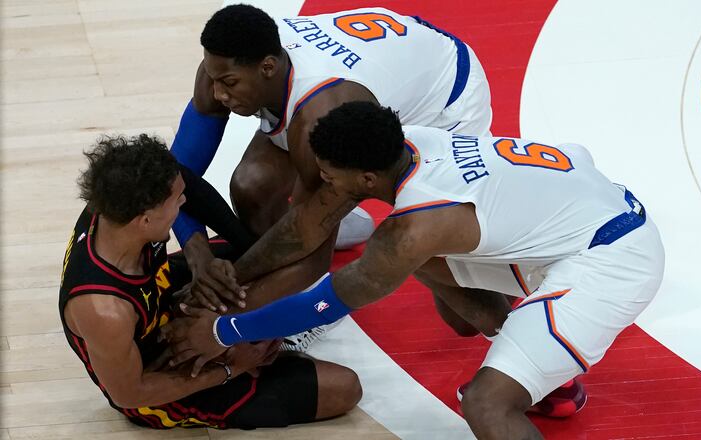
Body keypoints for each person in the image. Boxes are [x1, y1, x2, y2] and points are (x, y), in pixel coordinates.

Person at [164, 102, 665, 438]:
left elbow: (334, 297)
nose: (320, 179)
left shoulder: (417, 225)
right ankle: (544, 374)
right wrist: (236, 273)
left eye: (327, 173)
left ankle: (531, 373)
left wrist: (227, 329)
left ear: (364, 177)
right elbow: (305, 229)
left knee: (487, 406)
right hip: (568, 223)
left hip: (608, 258)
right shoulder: (413, 143)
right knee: (427, 274)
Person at [171, 4, 493, 310]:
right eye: (214, 80)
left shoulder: (320, 112)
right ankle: (319, 250)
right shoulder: (225, 65)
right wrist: (198, 254)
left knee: (459, 292)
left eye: (228, 84)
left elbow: (311, 250)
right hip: (380, 62)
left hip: (445, 97)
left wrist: (230, 294)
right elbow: (171, 176)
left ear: (268, 67)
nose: (218, 94)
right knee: (252, 185)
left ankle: (308, 300)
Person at [59, 134, 361, 429]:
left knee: (275, 247)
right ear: (146, 220)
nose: (184, 200)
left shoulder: (116, 202)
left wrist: (211, 256)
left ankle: (252, 330)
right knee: (345, 388)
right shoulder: (105, 311)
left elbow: (192, 188)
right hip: (160, 381)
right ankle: (264, 338)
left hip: (165, 300)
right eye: (177, 201)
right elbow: (129, 393)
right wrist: (230, 368)